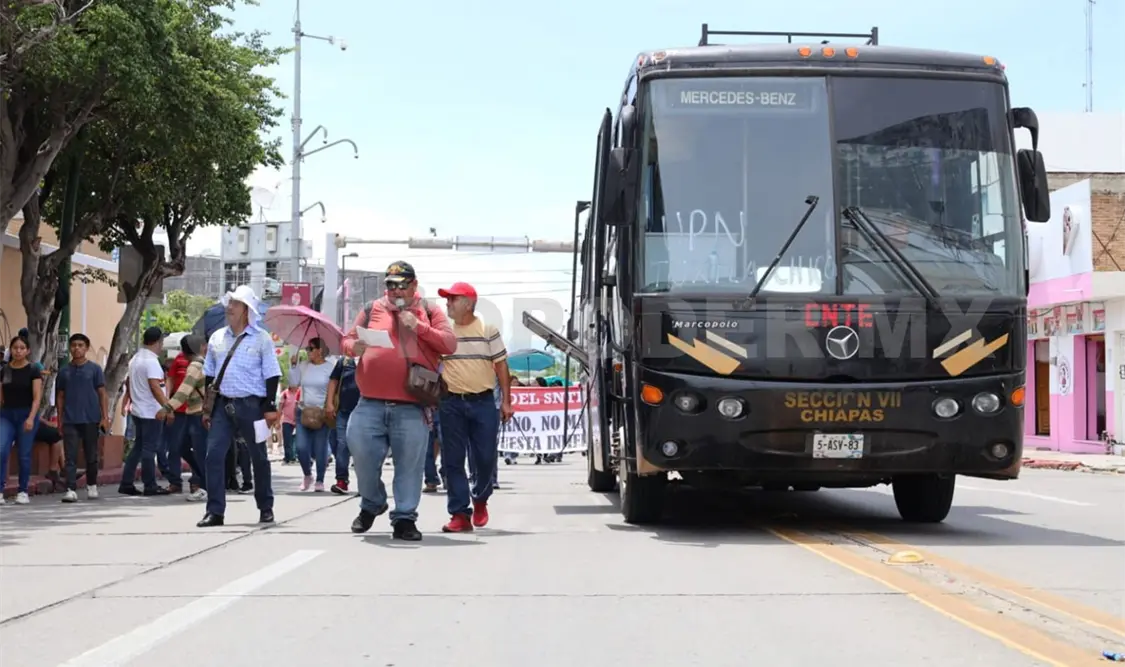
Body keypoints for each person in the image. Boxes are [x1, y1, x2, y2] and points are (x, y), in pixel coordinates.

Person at [342, 260, 456, 540]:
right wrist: (353, 346)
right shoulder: (371, 309)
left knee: (410, 464)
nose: (395, 291)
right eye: (390, 285)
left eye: (401, 285)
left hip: (411, 404)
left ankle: (404, 518)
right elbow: (346, 340)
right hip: (369, 401)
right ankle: (373, 501)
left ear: (414, 285)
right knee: (360, 452)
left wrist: (418, 326)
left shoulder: (429, 310)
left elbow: (450, 344)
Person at [197, 285, 282, 527]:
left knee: (259, 458)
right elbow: (209, 376)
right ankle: (215, 511)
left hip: (253, 407)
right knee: (213, 456)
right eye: (229, 302)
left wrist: (270, 406)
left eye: (235, 303)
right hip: (223, 405)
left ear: (247, 310)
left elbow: (272, 375)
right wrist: (207, 409)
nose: (229, 307)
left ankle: (265, 507)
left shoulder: (262, 339)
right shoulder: (216, 338)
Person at [435, 281, 512, 533]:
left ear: (468, 304)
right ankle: (459, 513)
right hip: (451, 404)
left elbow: (501, 366)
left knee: (484, 457)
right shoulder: (445, 333)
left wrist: (506, 402)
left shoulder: (488, 330)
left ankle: (480, 498)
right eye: (447, 299)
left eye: (452, 299)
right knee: (453, 461)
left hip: (483, 403)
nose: (447, 303)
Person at [55, 333, 110, 502]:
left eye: (80, 345)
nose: (77, 348)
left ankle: (91, 485)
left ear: (86, 348)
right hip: (70, 419)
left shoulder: (95, 369)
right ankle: (71, 489)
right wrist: (59, 419)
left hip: (91, 418)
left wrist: (105, 417)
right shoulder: (64, 371)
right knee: (70, 456)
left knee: (91, 455)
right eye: (74, 345)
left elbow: (102, 393)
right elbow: (60, 396)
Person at [119, 327, 171, 497]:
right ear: (158, 342)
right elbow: (155, 387)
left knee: (138, 447)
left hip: (139, 410)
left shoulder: (136, 358)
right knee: (149, 449)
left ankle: (126, 482)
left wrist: (128, 400)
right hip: (151, 411)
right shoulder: (151, 361)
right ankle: (150, 485)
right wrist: (167, 407)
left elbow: (128, 381)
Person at [157, 334, 209, 502]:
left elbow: (183, 391)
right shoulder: (202, 363)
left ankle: (205, 486)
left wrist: (166, 408)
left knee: (198, 452)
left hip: (198, 414)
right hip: (193, 413)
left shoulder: (195, 365)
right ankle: (204, 481)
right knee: (183, 447)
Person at [0, 334, 42, 505]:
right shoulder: (5, 370)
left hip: (26, 414)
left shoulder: (33, 370)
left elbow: (37, 397)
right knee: (2, 450)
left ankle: (23, 490)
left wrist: (31, 417)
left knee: (24, 454)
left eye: (22, 348)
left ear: (28, 351)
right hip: (7, 415)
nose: (18, 351)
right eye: (15, 348)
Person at [288, 337, 335, 492]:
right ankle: (307, 475)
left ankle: (320, 480)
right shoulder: (304, 366)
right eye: (307, 349)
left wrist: (330, 406)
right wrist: (293, 366)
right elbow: (293, 383)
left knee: (320, 448)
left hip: (322, 413)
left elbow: (333, 389)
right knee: (301, 447)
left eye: (311, 348)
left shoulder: (330, 368)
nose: (307, 352)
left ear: (320, 351)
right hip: (304, 411)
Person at [327, 353, 359, 494]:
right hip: (344, 410)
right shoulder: (345, 361)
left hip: (366, 411)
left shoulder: (373, 358)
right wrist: (329, 403)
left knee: (364, 448)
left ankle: (366, 483)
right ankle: (341, 480)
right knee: (342, 444)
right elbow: (333, 381)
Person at [278, 385, 300, 464]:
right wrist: (277, 421)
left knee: (298, 440)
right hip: (287, 420)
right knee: (287, 440)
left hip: (299, 420)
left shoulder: (301, 392)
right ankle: (288, 457)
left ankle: (297, 456)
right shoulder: (284, 394)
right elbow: (280, 408)